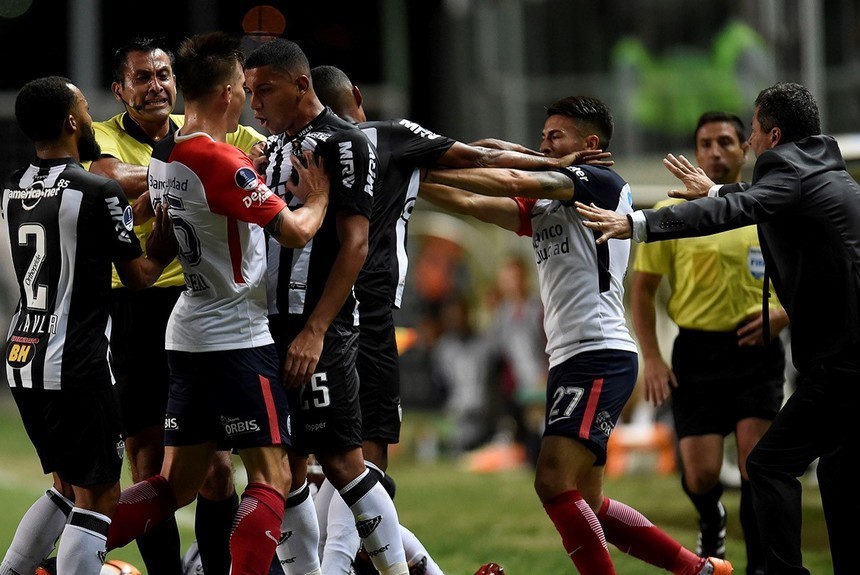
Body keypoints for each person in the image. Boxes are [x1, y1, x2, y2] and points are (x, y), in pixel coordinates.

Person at [310, 64, 612, 574]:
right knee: (361, 470)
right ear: (357, 96)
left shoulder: (294, 151)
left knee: (319, 471)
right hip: (363, 318)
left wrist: (421, 174)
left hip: (302, 319)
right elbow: (489, 155)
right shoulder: (384, 137)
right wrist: (550, 159)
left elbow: (474, 192)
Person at [419, 95, 732, 575]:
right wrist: (411, 177)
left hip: (598, 352)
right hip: (574, 357)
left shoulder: (600, 182)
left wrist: (414, 160)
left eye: (554, 137)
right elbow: (469, 201)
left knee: (551, 481)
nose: (544, 146)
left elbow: (509, 177)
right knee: (590, 501)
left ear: (589, 144)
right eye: (542, 137)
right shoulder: (551, 201)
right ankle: (699, 569)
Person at [576, 82, 859, 575]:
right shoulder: (824, 173)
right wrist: (715, 190)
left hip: (841, 362)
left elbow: (735, 210)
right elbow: (749, 200)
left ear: (772, 135)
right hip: (825, 357)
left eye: (748, 132)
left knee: (769, 464)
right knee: (836, 469)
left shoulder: (787, 171)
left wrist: (637, 223)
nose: (747, 143)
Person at [101, 32, 330, 575]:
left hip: (185, 335)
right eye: (243, 89)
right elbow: (295, 231)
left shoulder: (166, 158)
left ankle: (71, 549)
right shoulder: (222, 163)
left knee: (172, 484)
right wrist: (318, 197)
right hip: (237, 341)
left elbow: (158, 248)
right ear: (229, 92)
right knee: (271, 478)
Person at [87, 36, 266, 575]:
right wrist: (189, 168)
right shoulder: (103, 136)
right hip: (137, 308)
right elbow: (107, 181)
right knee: (145, 459)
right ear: (120, 91)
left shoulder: (221, 126)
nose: (156, 85)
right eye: (141, 77)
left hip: (206, 308)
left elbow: (271, 154)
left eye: (163, 75)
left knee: (215, 469)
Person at [244, 38, 410, 575]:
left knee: (342, 462)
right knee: (283, 468)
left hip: (322, 327)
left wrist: (315, 329)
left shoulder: (344, 144)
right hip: (266, 328)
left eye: (264, 90)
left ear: (301, 84)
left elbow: (356, 244)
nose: (255, 103)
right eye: (249, 92)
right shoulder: (271, 150)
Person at [0, 76, 175, 575]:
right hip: (77, 364)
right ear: (72, 121)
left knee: (63, 485)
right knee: (99, 495)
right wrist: (165, 240)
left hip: (24, 357)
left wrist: (126, 214)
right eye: (82, 104)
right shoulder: (97, 188)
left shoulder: (14, 185)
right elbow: (139, 277)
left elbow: (74, 238)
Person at [630, 111, 788, 574]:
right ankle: (710, 517)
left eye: (724, 142)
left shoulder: (767, 207)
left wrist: (785, 313)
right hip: (695, 353)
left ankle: (759, 564)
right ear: (695, 152)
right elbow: (642, 290)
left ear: (745, 149)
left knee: (756, 467)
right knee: (698, 473)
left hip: (756, 350)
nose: (714, 152)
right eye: (704, 144)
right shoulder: (669, 214)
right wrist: (653, 358)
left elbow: (809, 271)